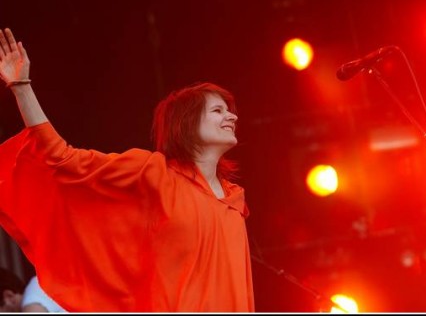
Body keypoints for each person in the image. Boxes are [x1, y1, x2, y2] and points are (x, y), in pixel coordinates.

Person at [0, 28, 254, 312]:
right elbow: (62, 158)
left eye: (229, 110)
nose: (232, 116)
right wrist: (21, 87)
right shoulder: (154, 172)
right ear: (187, 123)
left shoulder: (234, 200)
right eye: (218, 111)